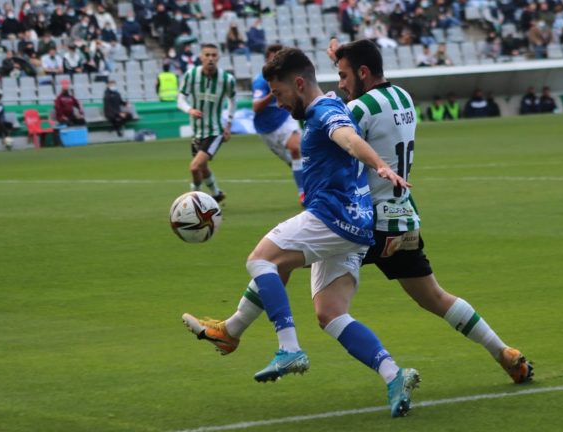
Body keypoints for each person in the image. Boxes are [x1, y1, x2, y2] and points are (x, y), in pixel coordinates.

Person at [182, 47, 420, 418]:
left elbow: (347, 137)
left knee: (261, 260)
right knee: (331, 314)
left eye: (278, 94)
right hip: (357, 224)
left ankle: (288, 347)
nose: (277, 103)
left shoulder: (324, 111)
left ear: (297, 83)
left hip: (333, 215)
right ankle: (394, 375)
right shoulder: (329, 103)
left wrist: (379, 165)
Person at [176, 43, 236, 200]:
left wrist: (228, 124)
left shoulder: (227, 79)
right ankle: (216, 193)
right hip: (197, 131)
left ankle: (194, 198)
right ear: (201, 57)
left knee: (195, 167)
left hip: (215, 131)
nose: (210, 58)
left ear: (218, 57)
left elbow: (233, 100)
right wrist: (190, 110)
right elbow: (180, 100)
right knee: (202, 167)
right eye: (207, 55)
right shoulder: (191, 75)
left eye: (213, 55)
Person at [250, 44, 305, 205]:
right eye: (273, 59)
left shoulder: (288, 76)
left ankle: (303, 193)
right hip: (266, 129)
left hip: (286, 118)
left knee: (296, 149)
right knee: (294, 161)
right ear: (267, 60)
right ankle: (307, 184)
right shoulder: (261, 81)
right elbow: (256, 107)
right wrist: (273, 93)